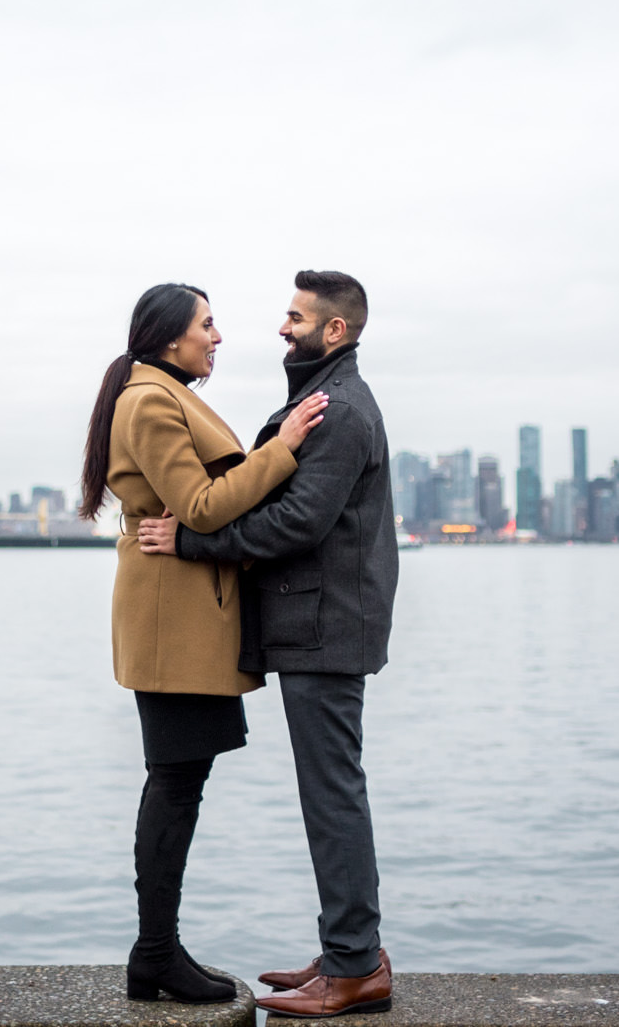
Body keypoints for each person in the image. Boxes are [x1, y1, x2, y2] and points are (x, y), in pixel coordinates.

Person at [138, 269, 399, 1019]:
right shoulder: (323, 398)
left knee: (333, 792)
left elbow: (298, 523)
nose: (282, 328)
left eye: (294, 316)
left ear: (334, 330)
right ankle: (347, 947)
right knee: (331, 789)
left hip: (323, 626)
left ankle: (355, 965)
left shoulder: (340, 409)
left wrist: (191, 541)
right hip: (315, 622)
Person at [78, 282, 329, 1004]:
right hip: (172, 617)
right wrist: (282, 449)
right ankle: (155, 953)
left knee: (179, 781)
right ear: (167, 337)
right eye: (206, 325)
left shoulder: (156, 391)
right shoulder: (152, 399)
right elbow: (203, 504)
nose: (217, 337)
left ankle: (155, 951)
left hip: (180, 609)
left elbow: (194, 508)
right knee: (175, 783)